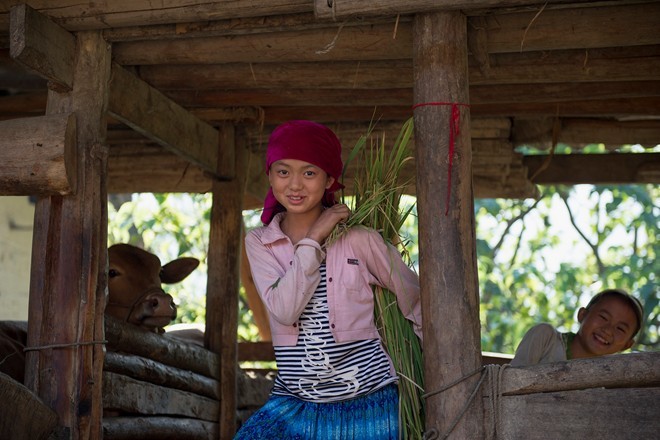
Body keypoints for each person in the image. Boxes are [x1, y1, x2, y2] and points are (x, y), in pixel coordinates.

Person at [235, 120, 423, 439]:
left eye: (309, 173)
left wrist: (427, 371)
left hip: (368, 400)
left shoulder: (359, 240)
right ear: (270, 175)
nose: (295, 185)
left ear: (329, 179)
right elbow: (285, 309)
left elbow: (417, 299)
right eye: (283, 172)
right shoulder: (260, 242)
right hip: (296, 402)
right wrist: (314, 237)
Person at [510, 288, 644, 367]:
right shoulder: (545, 338)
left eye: (620, 328)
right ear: (582, 315)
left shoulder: (611, 381)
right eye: (603, 317)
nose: (608, 330)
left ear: (627, 345)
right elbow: (511, 383)